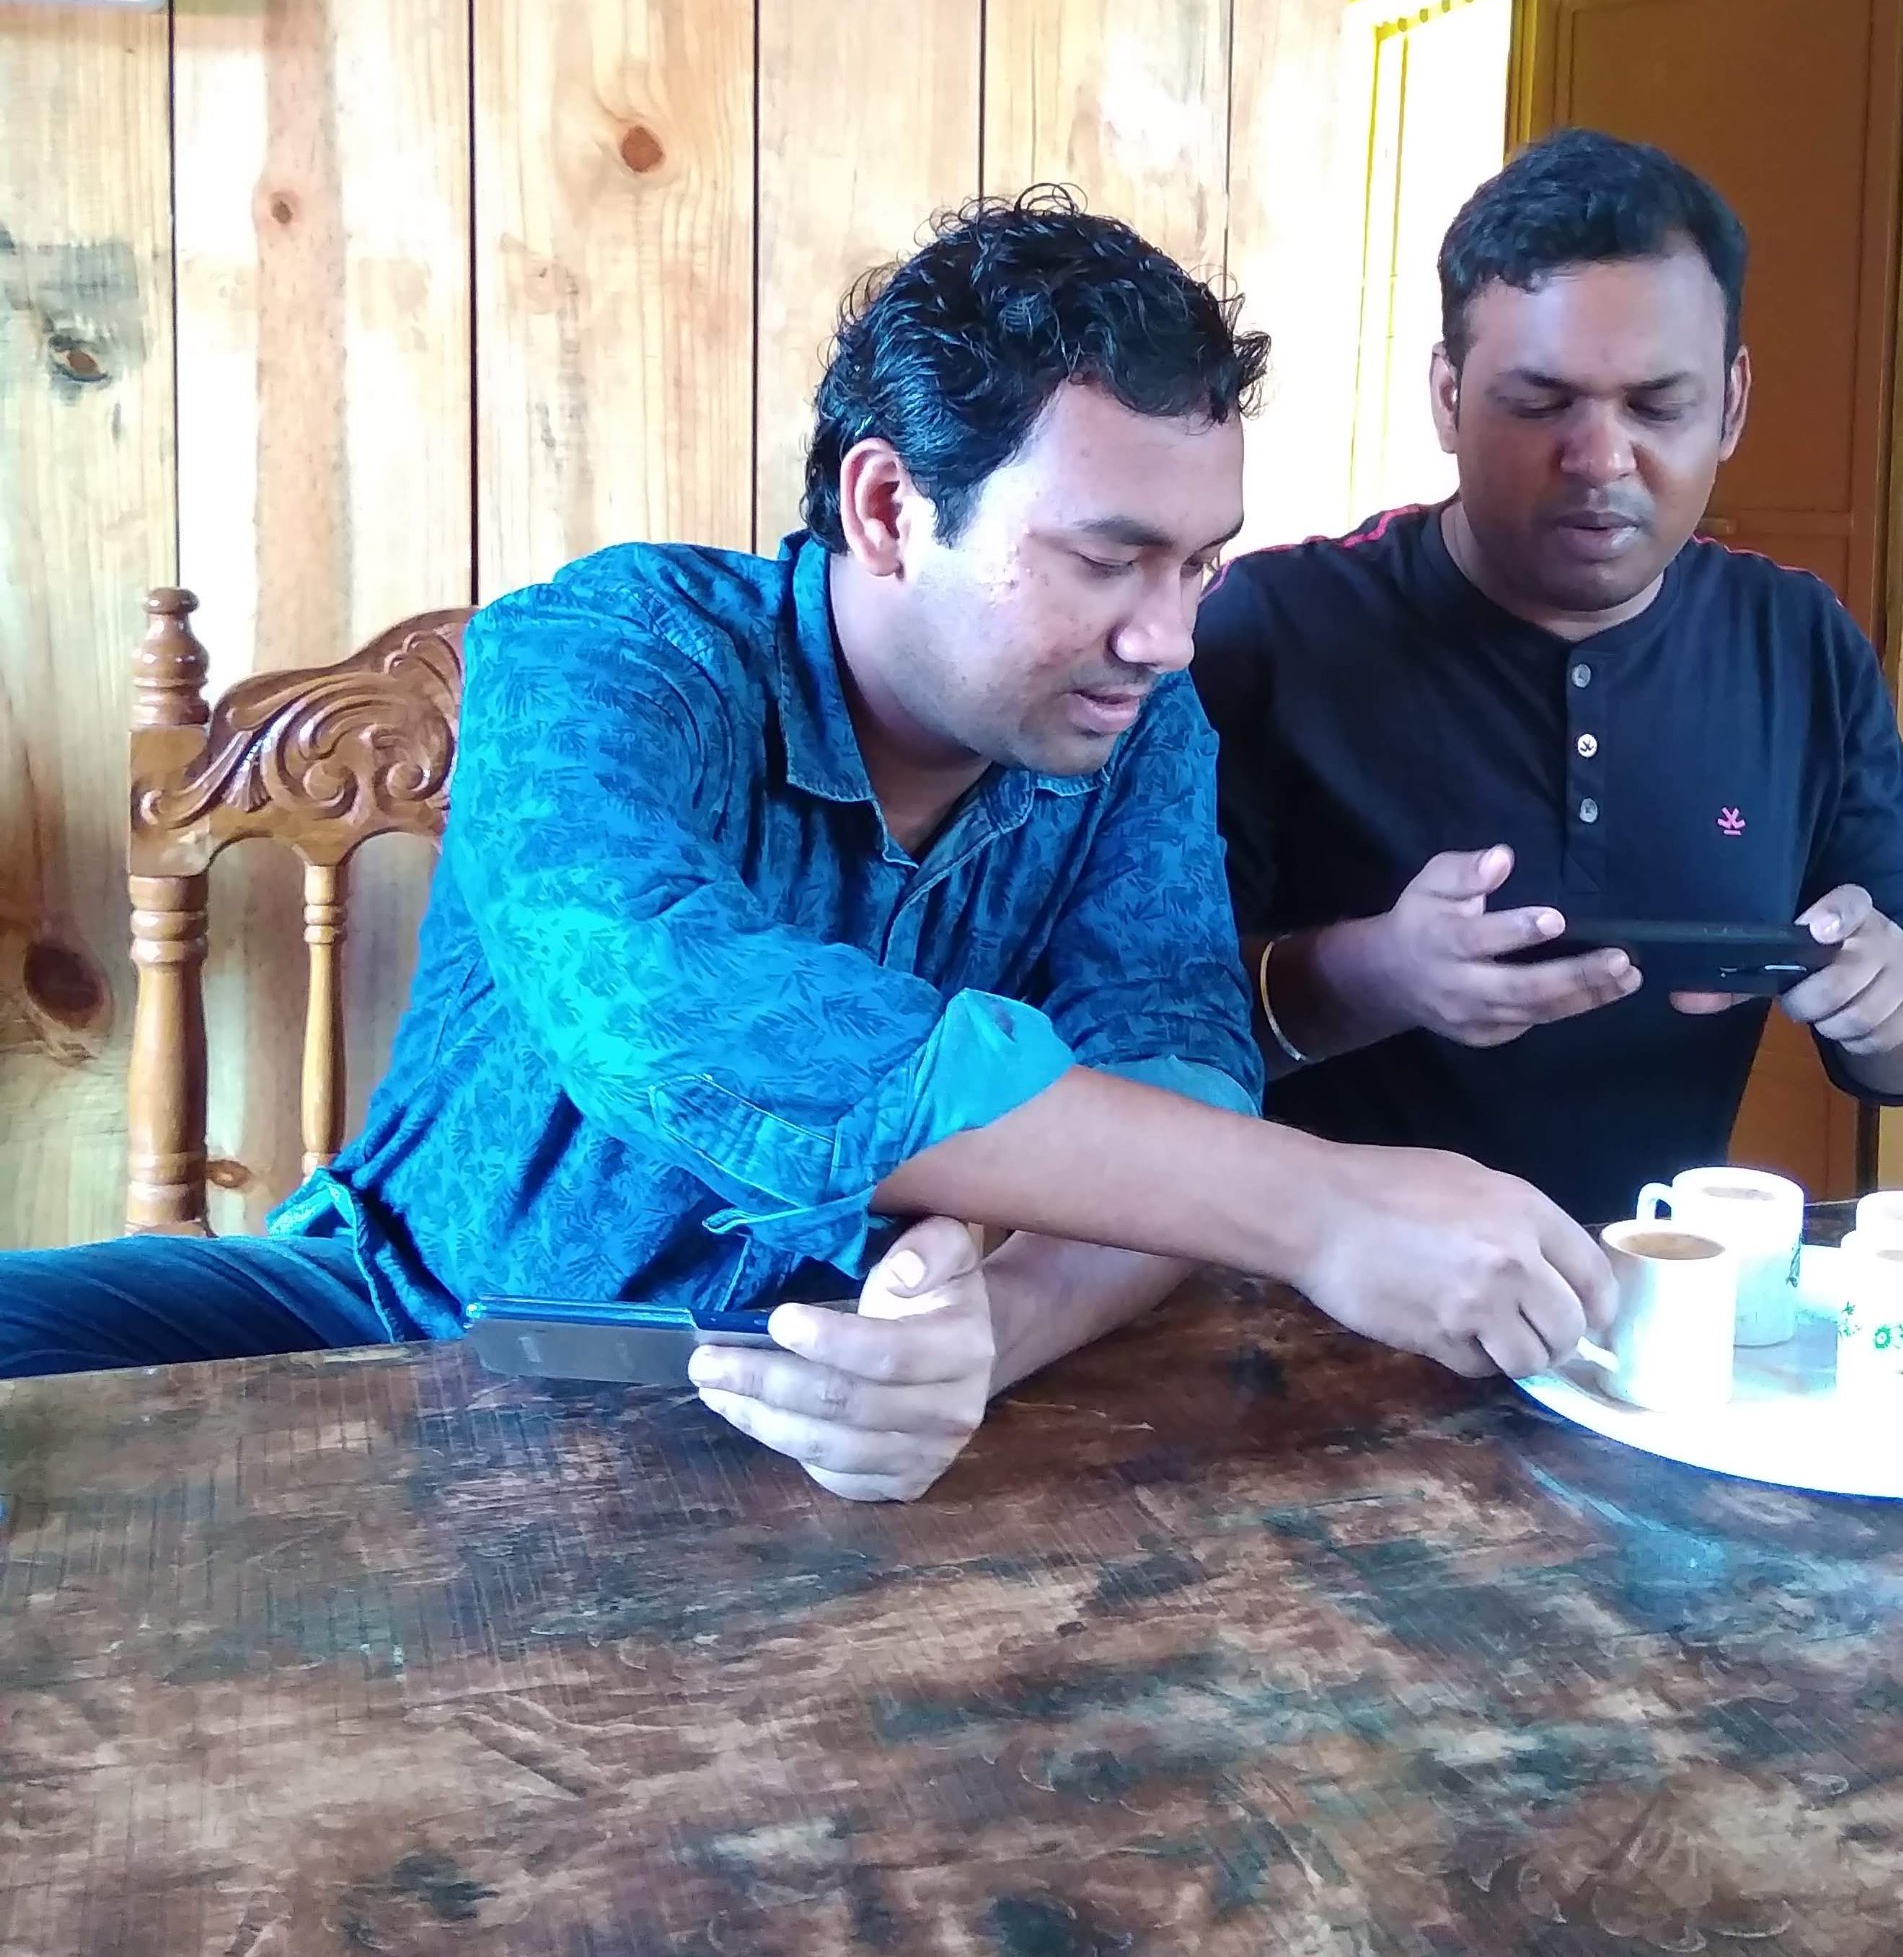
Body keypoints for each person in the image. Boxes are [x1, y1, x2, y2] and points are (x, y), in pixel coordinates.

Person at [0, 195, 1614, 1493]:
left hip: (810, 1398)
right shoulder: (606, 650)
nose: (1167, 637)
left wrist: (986, 1336)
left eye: (1199, 566)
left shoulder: (1140, 726)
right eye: (1108, 560)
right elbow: (659, 1004)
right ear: (887, 507)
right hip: (408, 1320)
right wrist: (1323, 1209)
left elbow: (1177, 1058)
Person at [1193, 131, 1903, 1226]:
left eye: (1658, 407)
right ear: (1447, 397)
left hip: (1659, 1294)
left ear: (1732, 405)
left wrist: (1902, 1002)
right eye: (1540, 403)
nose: (1602, 459)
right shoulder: (1270, 632)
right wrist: (1372, 975)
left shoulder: (1797, 643)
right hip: (1309, 1291)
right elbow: (1128, 1030)